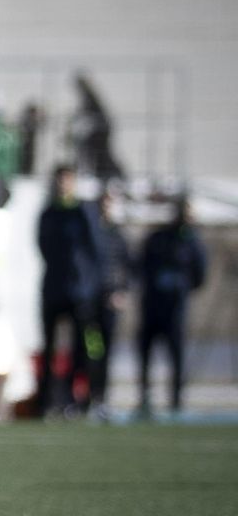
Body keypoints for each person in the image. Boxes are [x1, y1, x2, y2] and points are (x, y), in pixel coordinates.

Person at [36, 164, 104, 417]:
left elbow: (96, 251)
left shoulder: (84, 212)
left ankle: (80, 399)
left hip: (80, 292)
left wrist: (92, 285)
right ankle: (48, 401)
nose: (63, 185)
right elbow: (42, 247)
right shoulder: (48, 213)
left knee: (82, 348)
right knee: (49, 348)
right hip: (53, 289)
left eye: (67, 180)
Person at [137, 196, 207, 418]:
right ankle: (145, 397)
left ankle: (176, 399)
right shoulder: (158, 238)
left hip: (176, 309)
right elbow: (142, 266)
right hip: (152, 307)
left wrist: (181, 288)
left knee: (176, 355)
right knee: (146, 353)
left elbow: (200, 274)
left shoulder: (193, 242)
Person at [93, 185, 132, 421]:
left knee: (105, 353)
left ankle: (102, 399)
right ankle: (85, 398)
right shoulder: (91, 233)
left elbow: (128, 268)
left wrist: (121, 292)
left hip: (110, 304)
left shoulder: (119, 236)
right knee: (90, 351)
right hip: (90, 305)